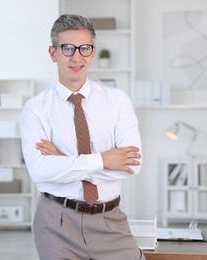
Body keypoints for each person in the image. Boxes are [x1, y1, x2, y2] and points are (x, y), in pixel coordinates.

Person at [20, 14, 145, 260]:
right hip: (56, 222)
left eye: (84, 48)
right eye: (67, 48)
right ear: (53, 53)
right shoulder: (35, 108)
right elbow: (40, 171)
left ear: (93, 52)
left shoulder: (117, 100)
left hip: (110, 222)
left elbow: (132, 164)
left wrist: (64, 161)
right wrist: (104, 159)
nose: (77, 57)